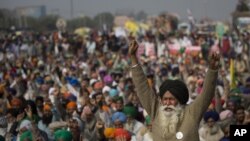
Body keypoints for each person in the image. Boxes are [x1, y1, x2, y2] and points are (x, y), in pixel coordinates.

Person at [129, 40, 220, 141]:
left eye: (171, 99)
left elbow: (206, 95)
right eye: (165, 99)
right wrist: (133, 58)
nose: (168, 103)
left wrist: (212, 70)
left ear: (180, 100)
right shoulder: (156, 111)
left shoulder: (191, 112)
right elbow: (143, 88)